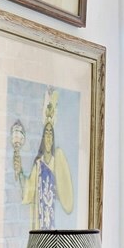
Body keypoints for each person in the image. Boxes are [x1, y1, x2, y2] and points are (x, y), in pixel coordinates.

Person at [13, 89, 74, 229]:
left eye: (50, 133)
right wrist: (20, 171)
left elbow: (64, 194)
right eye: (46, 133)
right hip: (38, 219)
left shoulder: (56, 164)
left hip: (51, 219)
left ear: (53, 138)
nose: (48, 137)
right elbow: (29, 190)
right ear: (43, 137)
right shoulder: (39, 165)